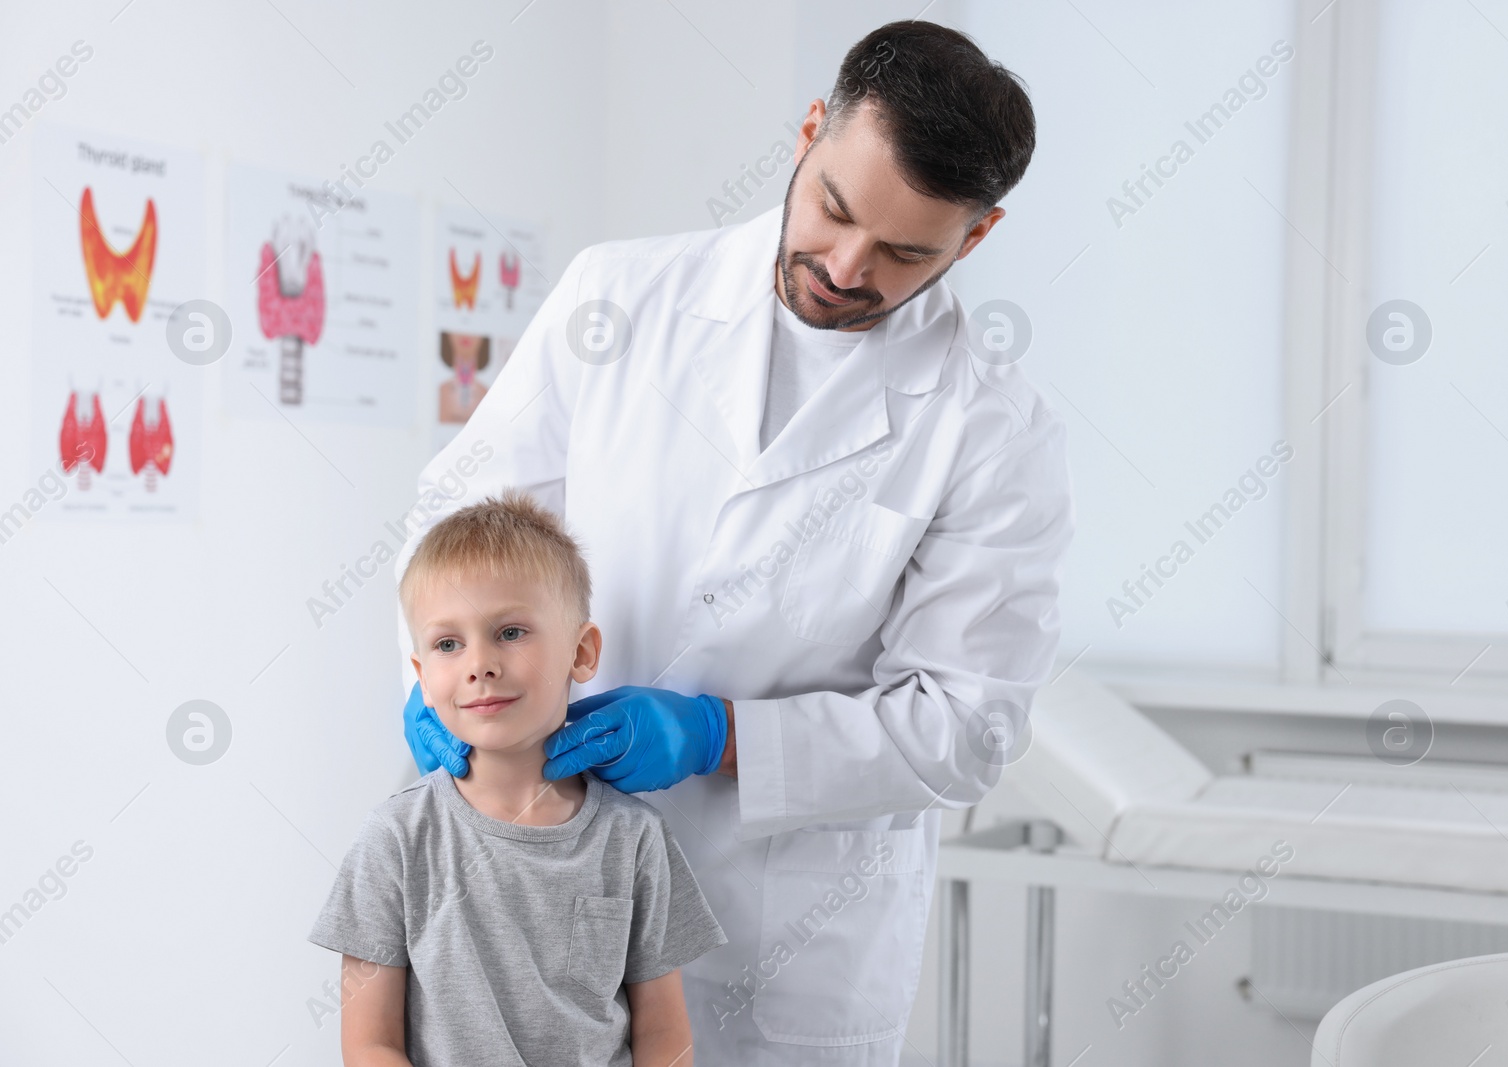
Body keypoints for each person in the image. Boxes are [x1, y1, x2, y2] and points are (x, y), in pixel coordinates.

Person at [399, 19, 1073, 1064]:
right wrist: (433, 673)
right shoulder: (614, 297)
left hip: (787, 951)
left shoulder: (989, 427)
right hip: (547, 894)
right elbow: (461, 521)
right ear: (809, 133)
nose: (847, 267)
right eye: (834, 209)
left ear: (973, 239)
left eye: (904, 252)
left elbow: (967, 725)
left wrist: (722, 738)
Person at [311, 490, 727, 1066]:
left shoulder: (635, 841)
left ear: (581, 652)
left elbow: (664, 1035)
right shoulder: (396, 840)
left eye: (510, 631)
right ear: (422, 680)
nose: (479, 663)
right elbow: (368, 1044)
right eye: (448, 644)